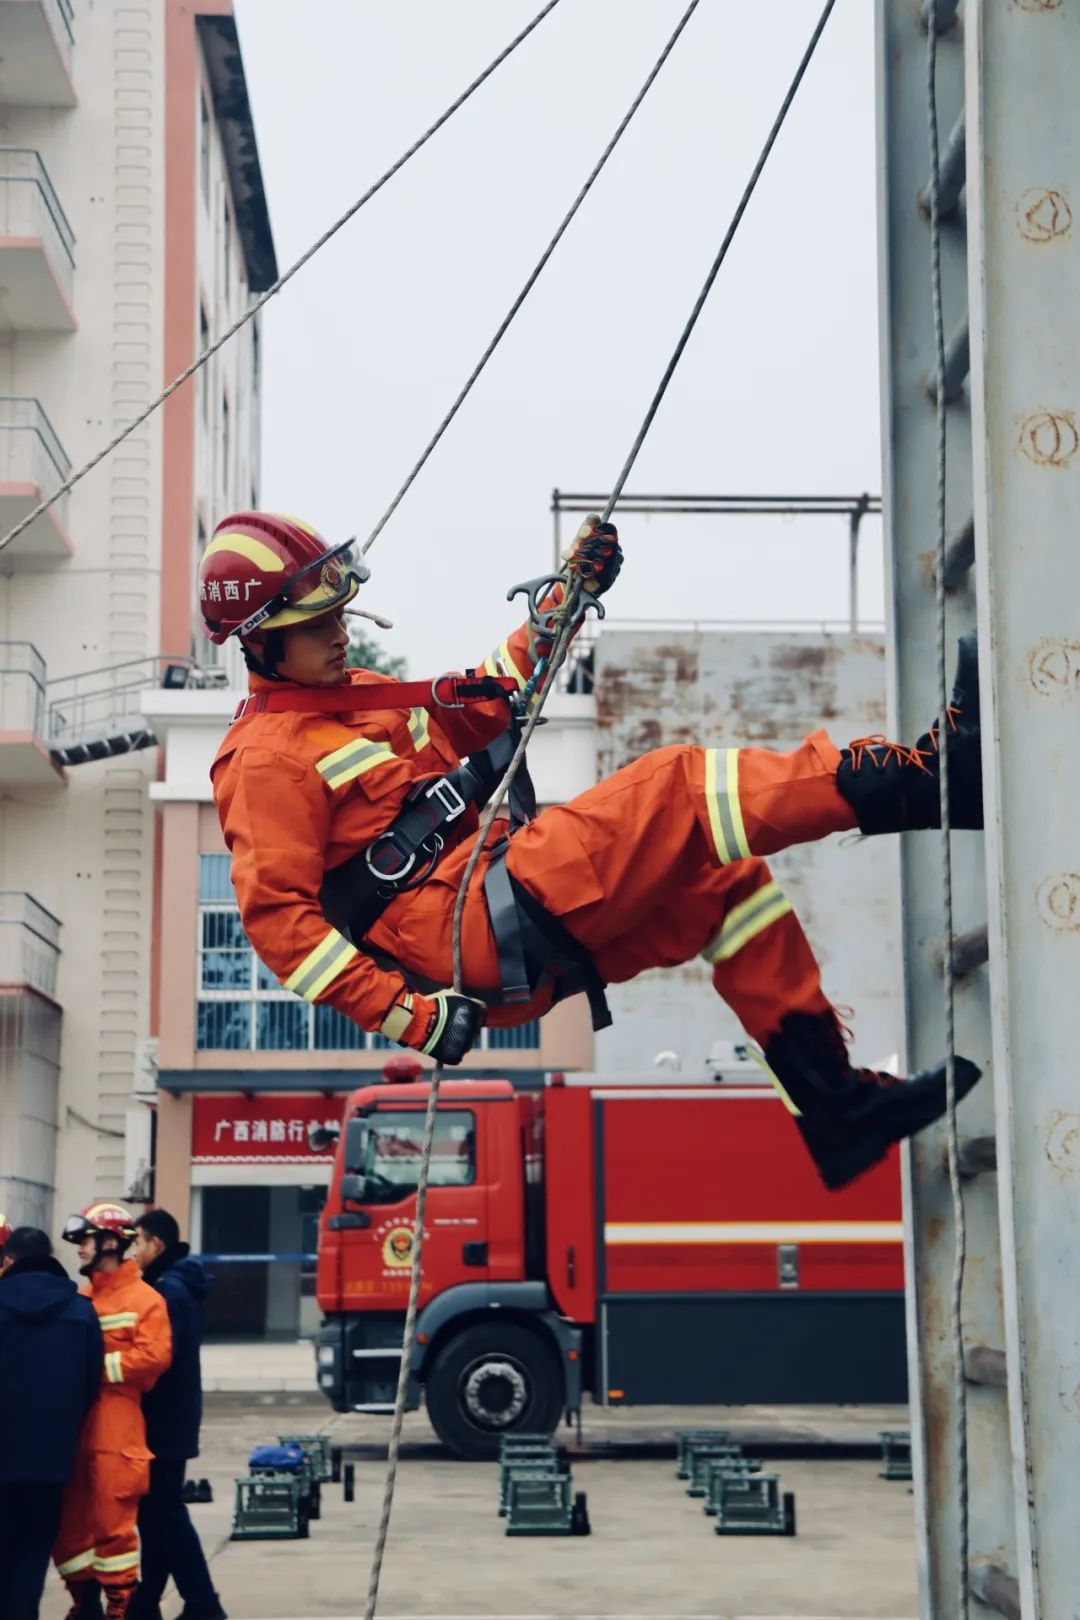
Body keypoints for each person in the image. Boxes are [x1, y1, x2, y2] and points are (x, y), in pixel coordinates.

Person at [203, 511, 982, 1192]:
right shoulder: (264, 761)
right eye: (315, 626)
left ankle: (836, 1107)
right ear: (260, 644)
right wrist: (410, 1019)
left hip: (494, 907)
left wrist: (562, 605)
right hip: (467, 923)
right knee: (678, 789)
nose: (341, 632)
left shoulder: (360, 698)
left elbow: (491, 700)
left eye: (340, 613)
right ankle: (929, 782)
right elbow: (281, 931)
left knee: (724, 883)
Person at [53, 1203, 172, 1620]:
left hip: (118, 1425)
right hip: (75, 1424)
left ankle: (121, 1606)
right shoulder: (79, 1298)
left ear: (109, 1242)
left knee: (112, 1523)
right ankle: (82, 1602)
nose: (79, 1250)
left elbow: (155, 1357)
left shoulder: (146, 1300)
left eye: (85, 1241)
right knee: (71, 1524)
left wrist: (96, 1368)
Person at [0, 1225, 103, 1620]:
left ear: (9, 1260)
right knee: (36, 1540)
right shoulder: (80, 1310)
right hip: (52, 1457)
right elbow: (92, 1383)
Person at [129, 1209, 223, 1620]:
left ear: (157, 1245)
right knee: (157, 1516)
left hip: (164, 1422)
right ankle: (147, 1603)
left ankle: (203, 1603)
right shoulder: (173, 1284)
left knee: (164, 1514)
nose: (132, 1250)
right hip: (173, 1420)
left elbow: (159, 1360)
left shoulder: (170, 1292)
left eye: (137, 1241)